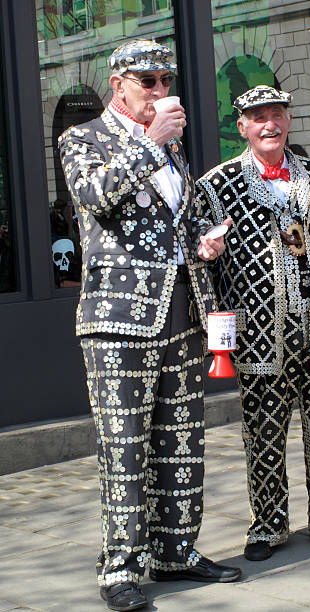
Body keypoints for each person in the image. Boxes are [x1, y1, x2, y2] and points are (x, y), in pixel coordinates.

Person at [59, 38, 238, 612]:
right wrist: (149, 143)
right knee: (126, 447)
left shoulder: (175, 149)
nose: (162, 91)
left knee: (182, 443)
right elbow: (95, 197)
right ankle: (121, 567)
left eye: (166, 80)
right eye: (149, 82)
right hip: (117, 322)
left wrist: (204, 245)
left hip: (182, 315)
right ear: (118, 85)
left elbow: (170, 226)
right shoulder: (82, 139)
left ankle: (175, 551)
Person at [195, 85, 310, 563]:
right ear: (242, 126)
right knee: (263, 435)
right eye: (258, 117)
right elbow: (204, 267)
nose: (269, 125)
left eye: (276, 115)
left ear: (289, 121)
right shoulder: (216, 186)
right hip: (258, 334)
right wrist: (218, 334)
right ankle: (268, 526)